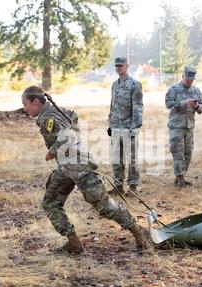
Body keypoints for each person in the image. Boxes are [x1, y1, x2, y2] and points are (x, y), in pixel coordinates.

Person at [21, 86, 153, 254]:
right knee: (50, 203)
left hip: (80, 167)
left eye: (26, 104)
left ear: (36, 102)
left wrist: (52, 152)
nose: (25, 109)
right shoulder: (54, 111)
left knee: (104, 206)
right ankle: (74, 243)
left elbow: (69, 136)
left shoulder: (49, 116)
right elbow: (73, 116)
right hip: (67, 168)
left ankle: (140, 233)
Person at [108, 57, 144, 197]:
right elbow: (112, 105)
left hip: (129, 128)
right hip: (116, 127)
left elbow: (138, 107)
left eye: (121, 66)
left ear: (127, 66)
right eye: (116, 66)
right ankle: (118, 186)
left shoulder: (134, 85)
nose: (118, 68)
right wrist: (110, 123)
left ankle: (133, 186)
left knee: (132, 159)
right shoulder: (114, 85)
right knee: (116, 158)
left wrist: (135, 127)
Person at [165, 66, 202, 188]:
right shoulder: (173, 89)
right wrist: (184, 102)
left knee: (188, 153)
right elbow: (168, 104)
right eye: (187, 79)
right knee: (177, 153)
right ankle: (181, 178)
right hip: (176, 126)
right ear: (182, 76)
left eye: (191, 80)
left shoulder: (196, 91)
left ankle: (180, 176)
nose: (189, 82)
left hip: (189, 127)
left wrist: (197, 106)